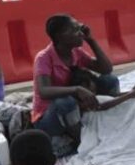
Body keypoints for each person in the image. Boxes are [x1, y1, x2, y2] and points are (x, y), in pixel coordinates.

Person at [32, 15, 119, 147]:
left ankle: (110, 121)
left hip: (76, 110)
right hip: (50, 118)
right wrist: (76, 90)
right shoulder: (44, 58)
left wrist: (91, 41)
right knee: (65, 102)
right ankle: (82, 142)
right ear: (59, 36)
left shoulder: (76, 53)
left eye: (79, 28)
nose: (80, 34)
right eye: (74, 30)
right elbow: (43, 91)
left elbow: (106, 69)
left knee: (109, 80)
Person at [68, 67, 135, 112]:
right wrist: (130, 95)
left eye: (93, 90)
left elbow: (113, 96)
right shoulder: (82, 103)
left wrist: (131, 92)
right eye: (88, 89)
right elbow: (102, 106)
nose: (91, 92)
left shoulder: (97, 92)